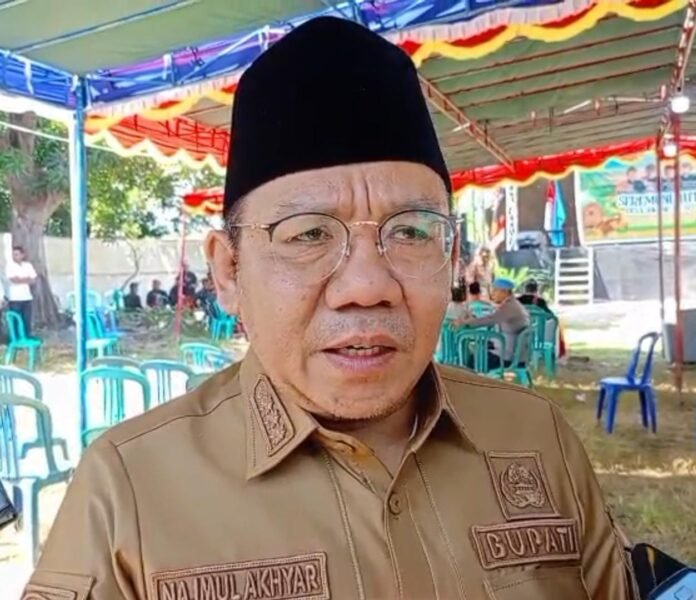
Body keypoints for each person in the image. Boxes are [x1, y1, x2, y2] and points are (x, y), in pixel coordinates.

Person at [25, 18, 637, 600]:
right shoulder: (129, 490)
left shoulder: (536, 436)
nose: (367, 286)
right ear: (229, 271)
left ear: (451, 256)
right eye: (309, 234)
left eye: (410, 231)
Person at [455, 277, 530, 369]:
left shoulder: (509, 307)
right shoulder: (512, 304)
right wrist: (471, 321)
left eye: (495, 290)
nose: (493, 293)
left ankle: (471, 377)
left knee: (471, 359)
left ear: (505, 292)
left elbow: (490, 319)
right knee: (479, 345)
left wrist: (465, 323)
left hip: (507, 356)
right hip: (513, 350)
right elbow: (491, 318)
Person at [5, 246, 36, 336]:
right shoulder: (10, 266)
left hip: (27, 297)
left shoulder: (28, 265)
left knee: (27, 319)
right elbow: (13, 280)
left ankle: (26, 336)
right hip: (15, 298)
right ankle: (16, 337)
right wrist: (26, 279)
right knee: (15, 319)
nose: (15, 257)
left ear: (22, 255)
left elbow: (33, 280)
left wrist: (20, 279)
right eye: (13, 255)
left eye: (17, 254)